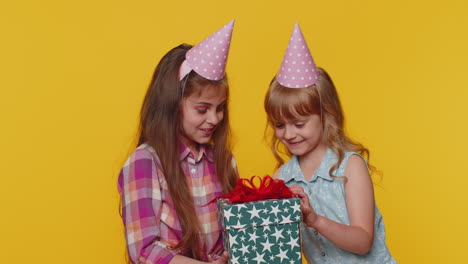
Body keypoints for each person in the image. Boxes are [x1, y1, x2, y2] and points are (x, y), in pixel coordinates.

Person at [264, 23, 397, 263]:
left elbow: (362, 241)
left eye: (299, 123)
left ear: (326, 115)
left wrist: (314, 220)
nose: (289, 134)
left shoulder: (349, 167)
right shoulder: (281, 179)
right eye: (280, 125)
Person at [118, 20, 238, 264]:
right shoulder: (146, 162)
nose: (214, 119)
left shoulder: (225, 162)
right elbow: (144, 251)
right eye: (202, 109)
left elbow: (232, 238)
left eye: (220, 108)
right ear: (172, 104)